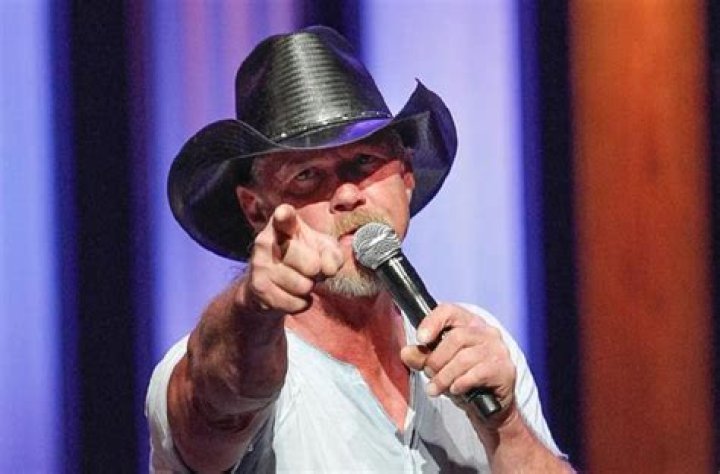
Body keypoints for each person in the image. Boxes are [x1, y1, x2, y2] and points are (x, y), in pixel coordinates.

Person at [146, 26, 572, 473]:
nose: (348, 194)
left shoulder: (478, 345)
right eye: (307, 175)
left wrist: (506, 425)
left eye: (365, 161)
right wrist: (252, 308)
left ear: (406, 176)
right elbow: (220, 393)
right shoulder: (219, 367)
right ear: (256, 210)